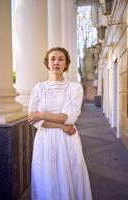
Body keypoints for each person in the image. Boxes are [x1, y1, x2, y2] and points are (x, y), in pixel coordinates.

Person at [28, 47, 92, 200]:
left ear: (66, 64)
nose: (56, 62)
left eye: (61, 59)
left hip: (67, 141)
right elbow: (33, 120)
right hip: (45, 140)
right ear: (47, 63)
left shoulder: (75, 88)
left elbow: (68, 117)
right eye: (53, 59)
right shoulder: (38, 88)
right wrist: (61, 126)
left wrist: (42, 114)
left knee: (69, 176)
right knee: (46, 178)